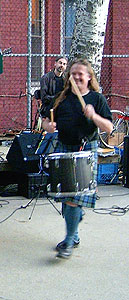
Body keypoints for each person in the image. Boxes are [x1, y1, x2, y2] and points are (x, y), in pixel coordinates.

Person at [41, 58, 113, 259]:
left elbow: (109, 128)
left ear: (89, 78)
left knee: (72, 200)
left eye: (81, 74)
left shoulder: (97, 99)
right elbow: (46, 120)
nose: (76, 77)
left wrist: (94, 116)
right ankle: (75, 228)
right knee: (67, 199)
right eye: (73, 74)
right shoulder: (61, 98)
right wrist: (48, 127)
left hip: (86, 150)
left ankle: (69, 242)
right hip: (64, 148)